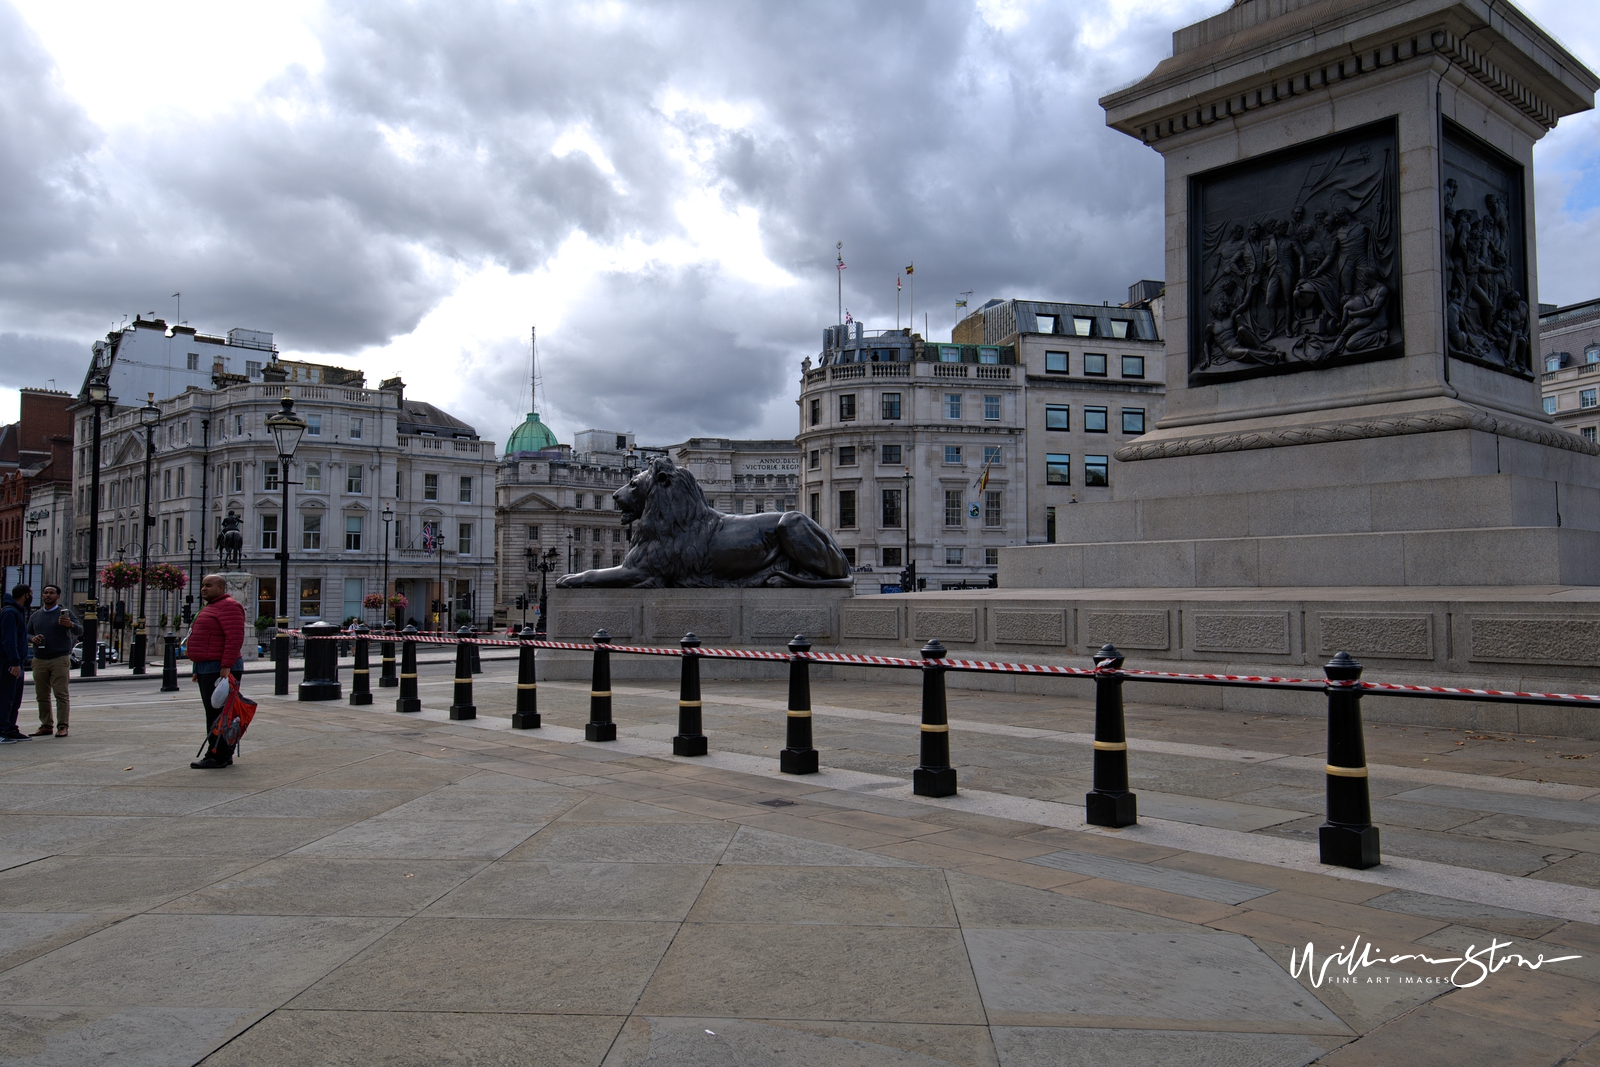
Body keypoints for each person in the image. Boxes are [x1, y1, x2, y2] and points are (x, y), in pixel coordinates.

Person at [186, 574, 245, 769]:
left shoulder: (229, 606)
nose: (204, 588)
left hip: (219, 668)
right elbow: (204, 639)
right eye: (203, 585)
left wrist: (226, 667)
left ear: (221, 588)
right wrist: (197, 668)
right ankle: (222, 753)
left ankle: (217, 755)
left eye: (209, 585)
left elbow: (234, 638)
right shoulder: (210, 607)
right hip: (207, 667)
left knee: (219, 715)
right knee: (214, 713)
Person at [27, 584, 80, 738]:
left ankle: (63, 726)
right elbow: (27, 632)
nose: (48, 595)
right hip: (39, 659)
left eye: (51, 593)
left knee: (61, 694)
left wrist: (69, 625)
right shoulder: (35, 616)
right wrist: (32, 638)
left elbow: (80, 630)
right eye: (45, 593)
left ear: (58, 596)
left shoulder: (65, 613)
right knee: (41, 695)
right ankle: (46, 725)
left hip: (59, 658)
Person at [1, 585, 32, 743]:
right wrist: (14, 661)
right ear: (26, 595)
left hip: (17, 661)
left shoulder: (17, 611)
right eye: (30, 594)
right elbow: (9, 640)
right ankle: (2, 730)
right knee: (6, 697)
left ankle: (10, 727)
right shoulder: (10, 612)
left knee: (14, 697)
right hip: (9, 662)